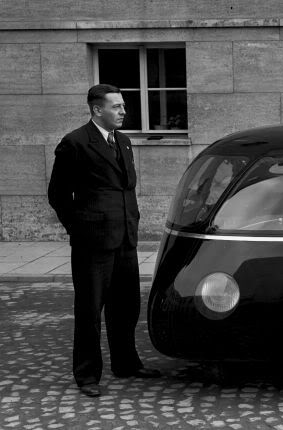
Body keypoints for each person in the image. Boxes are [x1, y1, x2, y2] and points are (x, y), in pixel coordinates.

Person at [48, 84, 160, 398]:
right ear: (97, 109)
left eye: (123, 106)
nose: (123, 111)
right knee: (89, 310)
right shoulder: (75, 143)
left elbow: (125, 188)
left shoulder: (123, 142)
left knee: (126, 307)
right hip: (92, 242)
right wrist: (78, 228)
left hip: (124, 237)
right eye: (117, 106)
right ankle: (87, 375)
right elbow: (57, 194)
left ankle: (125, 363)